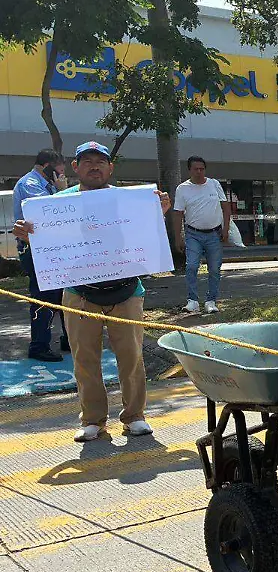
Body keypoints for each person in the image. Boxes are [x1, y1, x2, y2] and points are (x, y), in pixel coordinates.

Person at [14, 142, 171, 442]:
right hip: (79, 293)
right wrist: (29, 235)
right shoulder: (55, 206)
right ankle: (93, 420)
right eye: (87, 161)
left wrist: (157, 212)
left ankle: (135, 416)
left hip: (126, 291)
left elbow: (147, 237)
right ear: (75, 167)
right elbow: (49, 248)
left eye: (101, 161)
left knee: (132, 357)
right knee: (84, 360)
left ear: (110, 169)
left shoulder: (132, 201)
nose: (94, 166)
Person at [12, 148, 70, 362]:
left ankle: (69, 338)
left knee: (64, 293)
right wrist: (61, 191)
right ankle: (39, 345)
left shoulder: (46, 185)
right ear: (48, 168)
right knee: (44, 296)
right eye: (60, 172)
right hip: (35, 250)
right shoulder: (30, 185)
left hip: (53, 249)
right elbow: (46, 213)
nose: (62, 178)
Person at [174, 156, 230, 314]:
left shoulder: (214, 184)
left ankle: (211, 300)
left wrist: (225, 230)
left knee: (214, 269)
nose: (199, 172)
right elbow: (178, 214)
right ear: (189, 170)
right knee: (191, 266)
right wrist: (178, 237)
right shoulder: (182, 188)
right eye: (195, 169)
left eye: (202, 169)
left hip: (214, 234)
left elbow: (225, 207)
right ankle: (192, 301)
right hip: (193, 234)